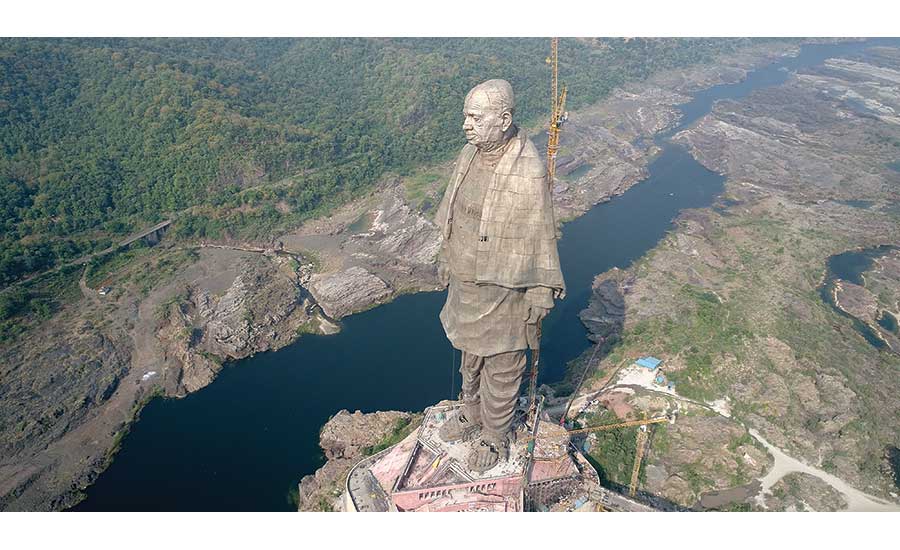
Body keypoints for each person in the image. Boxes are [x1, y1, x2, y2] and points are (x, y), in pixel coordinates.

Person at [433, 79, 565, 472]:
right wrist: (447, 253)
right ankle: (471, 410)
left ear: (504, 119)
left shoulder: (526, 168)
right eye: (465, 117)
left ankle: (495, 434)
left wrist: (542, 289)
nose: (466, 126)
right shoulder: (469, 155)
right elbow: (454, 210)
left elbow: (541, 230)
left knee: (504, 364)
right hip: (467, 278)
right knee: (470, 355)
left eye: (475, 117)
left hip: (506, 287)